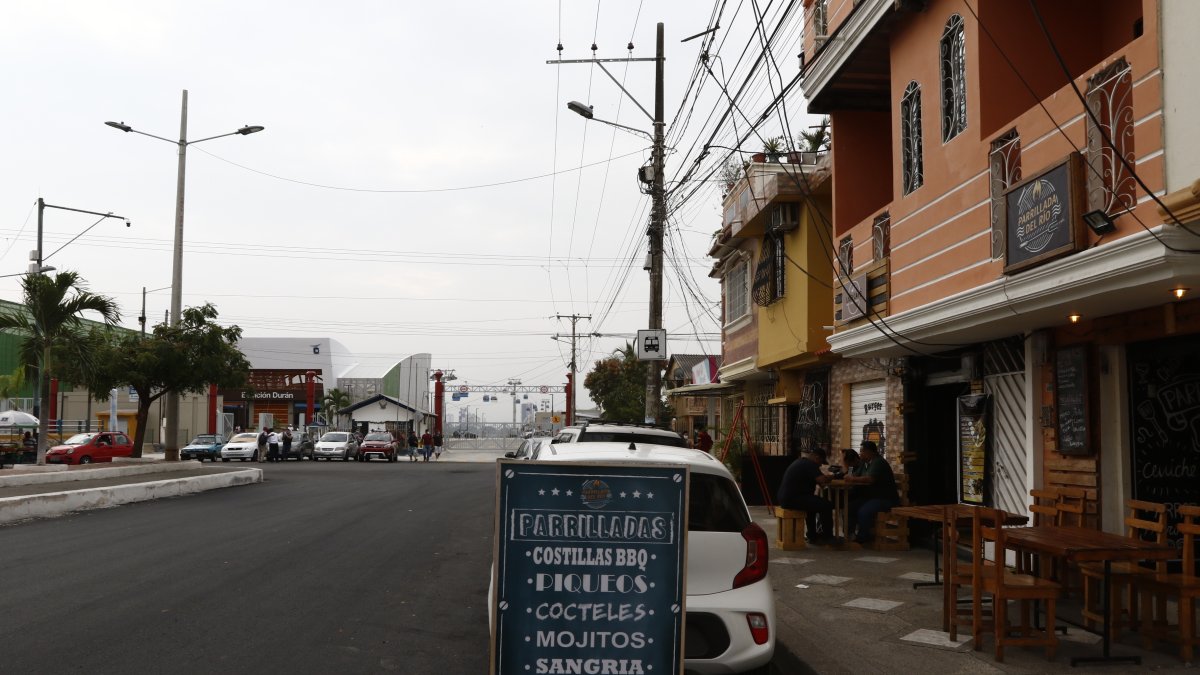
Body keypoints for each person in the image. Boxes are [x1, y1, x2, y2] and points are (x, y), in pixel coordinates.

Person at [842, 441, 900, 544]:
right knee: (849, 507)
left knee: (864, 511)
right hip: (871, 498)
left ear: (869, 452)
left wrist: (852, 478)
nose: (860, 454)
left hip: (885, 499)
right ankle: (849, 535)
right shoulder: (864, 463)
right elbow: (854, 475)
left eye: (862, 451)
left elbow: (870, 479)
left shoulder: (878, 462)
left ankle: (863, 538)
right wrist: (849, 475)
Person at [776, 447, 836, 544]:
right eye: (820, 462)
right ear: (816, 457)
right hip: (794, 499)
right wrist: (832, 476)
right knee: (826, 505)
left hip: (786, 498)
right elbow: (822, 480)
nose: (820, 465)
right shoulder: (810, 464)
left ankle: (812, 535)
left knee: (812, 506)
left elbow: (816, 480)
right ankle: (828, 537)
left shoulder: (801, 462)